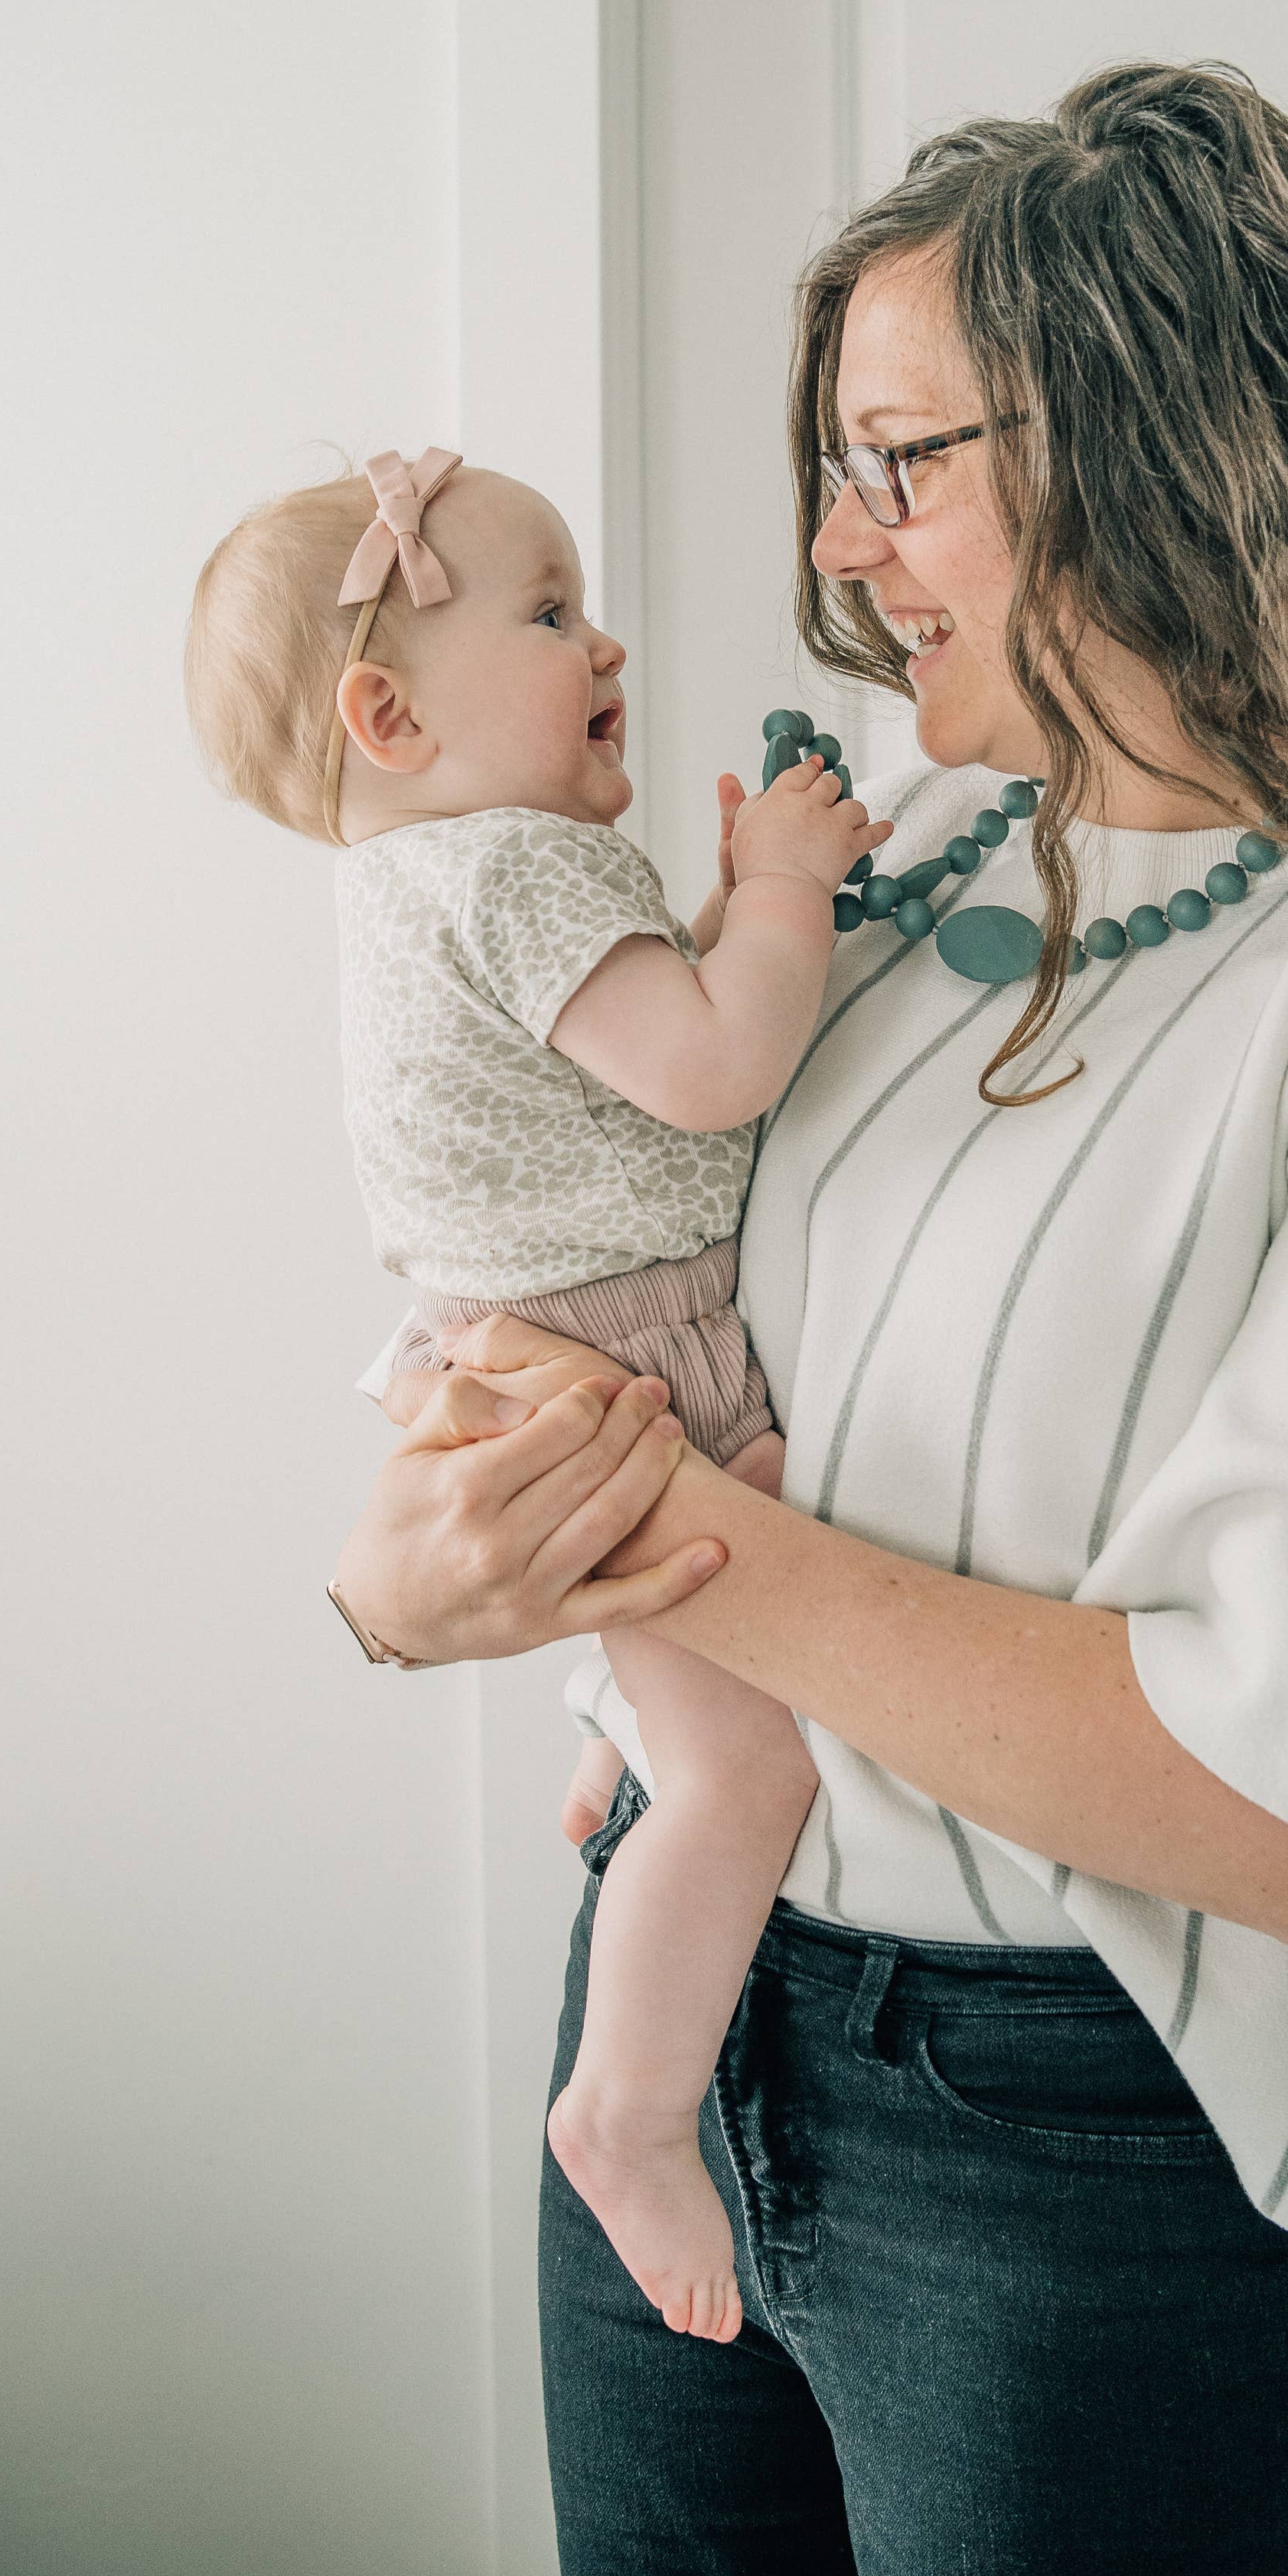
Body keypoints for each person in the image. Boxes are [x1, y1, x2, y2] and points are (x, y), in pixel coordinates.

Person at [331, 61, 1288, 2576]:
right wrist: (427, 1592)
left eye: (907, 464)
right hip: (683, 2004)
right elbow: (678, 1312)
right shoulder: (894, 878)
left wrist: (629, 1548)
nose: (846, 559)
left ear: (1162, 429)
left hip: (1088, 2145)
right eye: (838, 475)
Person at [184, 447, 892, 2345]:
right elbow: (717, 1062)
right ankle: (626, 2113)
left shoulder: (421, 875)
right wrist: (778, 887)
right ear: (390, 711)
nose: (610, 639)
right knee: (756, 1764)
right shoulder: (509, 867)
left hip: (568, 1348)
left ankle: (620, 1765)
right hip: (614, 1366)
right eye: (552, 609)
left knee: (707, 1708)